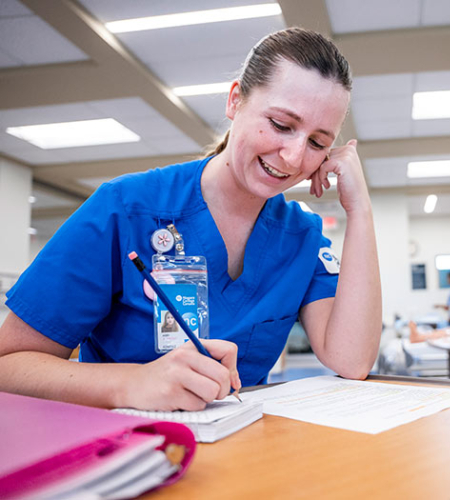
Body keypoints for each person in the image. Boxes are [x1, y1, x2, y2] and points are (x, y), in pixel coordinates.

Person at [0, 28, 382, 412]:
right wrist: (131, 383)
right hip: (126, 452)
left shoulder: (301, 236)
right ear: (235, 100)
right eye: (282, 125)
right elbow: (8, 367)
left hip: (246, 449)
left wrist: (360, 210)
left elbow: (351, 362)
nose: (295, 158)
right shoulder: (126, 208)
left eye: (317, 142)